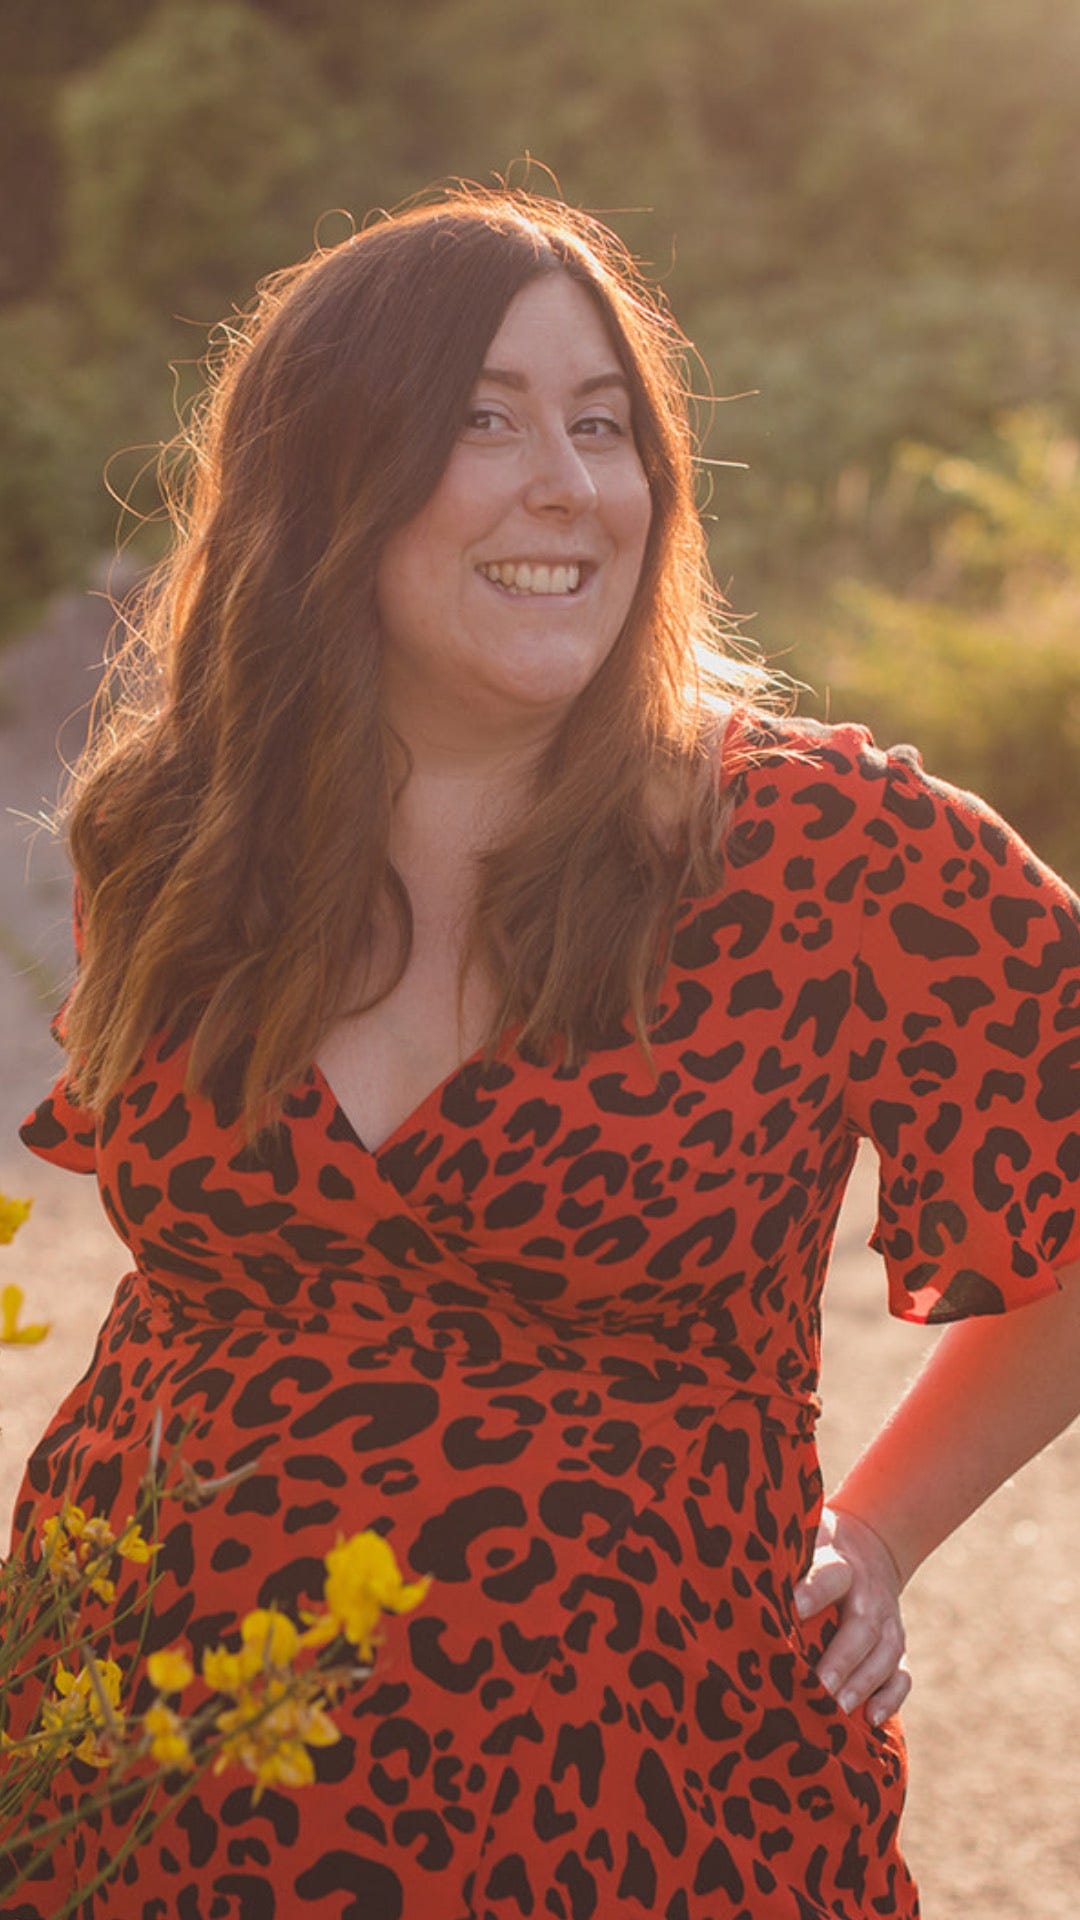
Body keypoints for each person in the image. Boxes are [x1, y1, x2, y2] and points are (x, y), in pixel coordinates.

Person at [4, 185, 1080, 1920]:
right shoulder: (183, 833)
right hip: (167, 1781)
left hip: (651, 1811)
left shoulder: (824, 851)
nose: (569, 483)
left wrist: (875, 1532)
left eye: (605, 426)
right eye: (484, 419)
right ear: (326, 477)